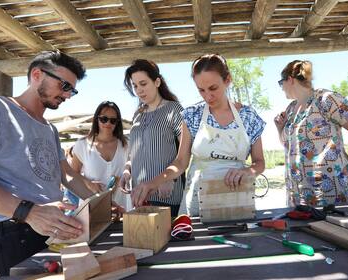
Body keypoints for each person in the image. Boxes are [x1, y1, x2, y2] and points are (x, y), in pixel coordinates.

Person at [0, 51, 103, 276]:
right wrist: (29, 212)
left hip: (50, 231)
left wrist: (99, 202)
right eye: (64, 85)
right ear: (37, 74)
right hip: (11, 232)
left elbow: (68, 175)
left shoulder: (50, 129)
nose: (68, 95)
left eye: (72, 90)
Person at [130, 54, 266, 217]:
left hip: (236, 198)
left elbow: (260, 163)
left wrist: (248, 171)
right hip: (197, 200)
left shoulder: (248, 116)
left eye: (213, 88)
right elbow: (180, 163)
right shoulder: (192, 115)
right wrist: (152, 183)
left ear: (228, 80)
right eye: (201, 90)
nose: (207, 96)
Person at [274, 60, 348, 207]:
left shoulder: (326, 99)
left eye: (280, 83)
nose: (281, 88)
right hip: (297, 195)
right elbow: (289, 146)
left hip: (329, 192)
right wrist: (279, 128)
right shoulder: (291, 109)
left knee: (335, 229)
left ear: (289, 79)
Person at [120, 59, 185, 217]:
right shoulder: (138, 114)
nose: (139, 90)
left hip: (166, 195)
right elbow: (134, 152)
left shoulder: (174, 109)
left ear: (157, 82)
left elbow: (186, 151)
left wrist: (172, 179)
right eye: (135, 86)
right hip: (140, 196)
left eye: (143, 84)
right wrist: (127, 170)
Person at [70, 101, 132, 211]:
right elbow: (73, 174)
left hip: (120, 208)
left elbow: (133, 166)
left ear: (117, 123)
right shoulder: (83, 144)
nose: (108, 123)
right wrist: (88, 184)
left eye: (113, 120)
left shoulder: (126, 143)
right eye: (104, 119)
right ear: (96, 119)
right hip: (92, 207)